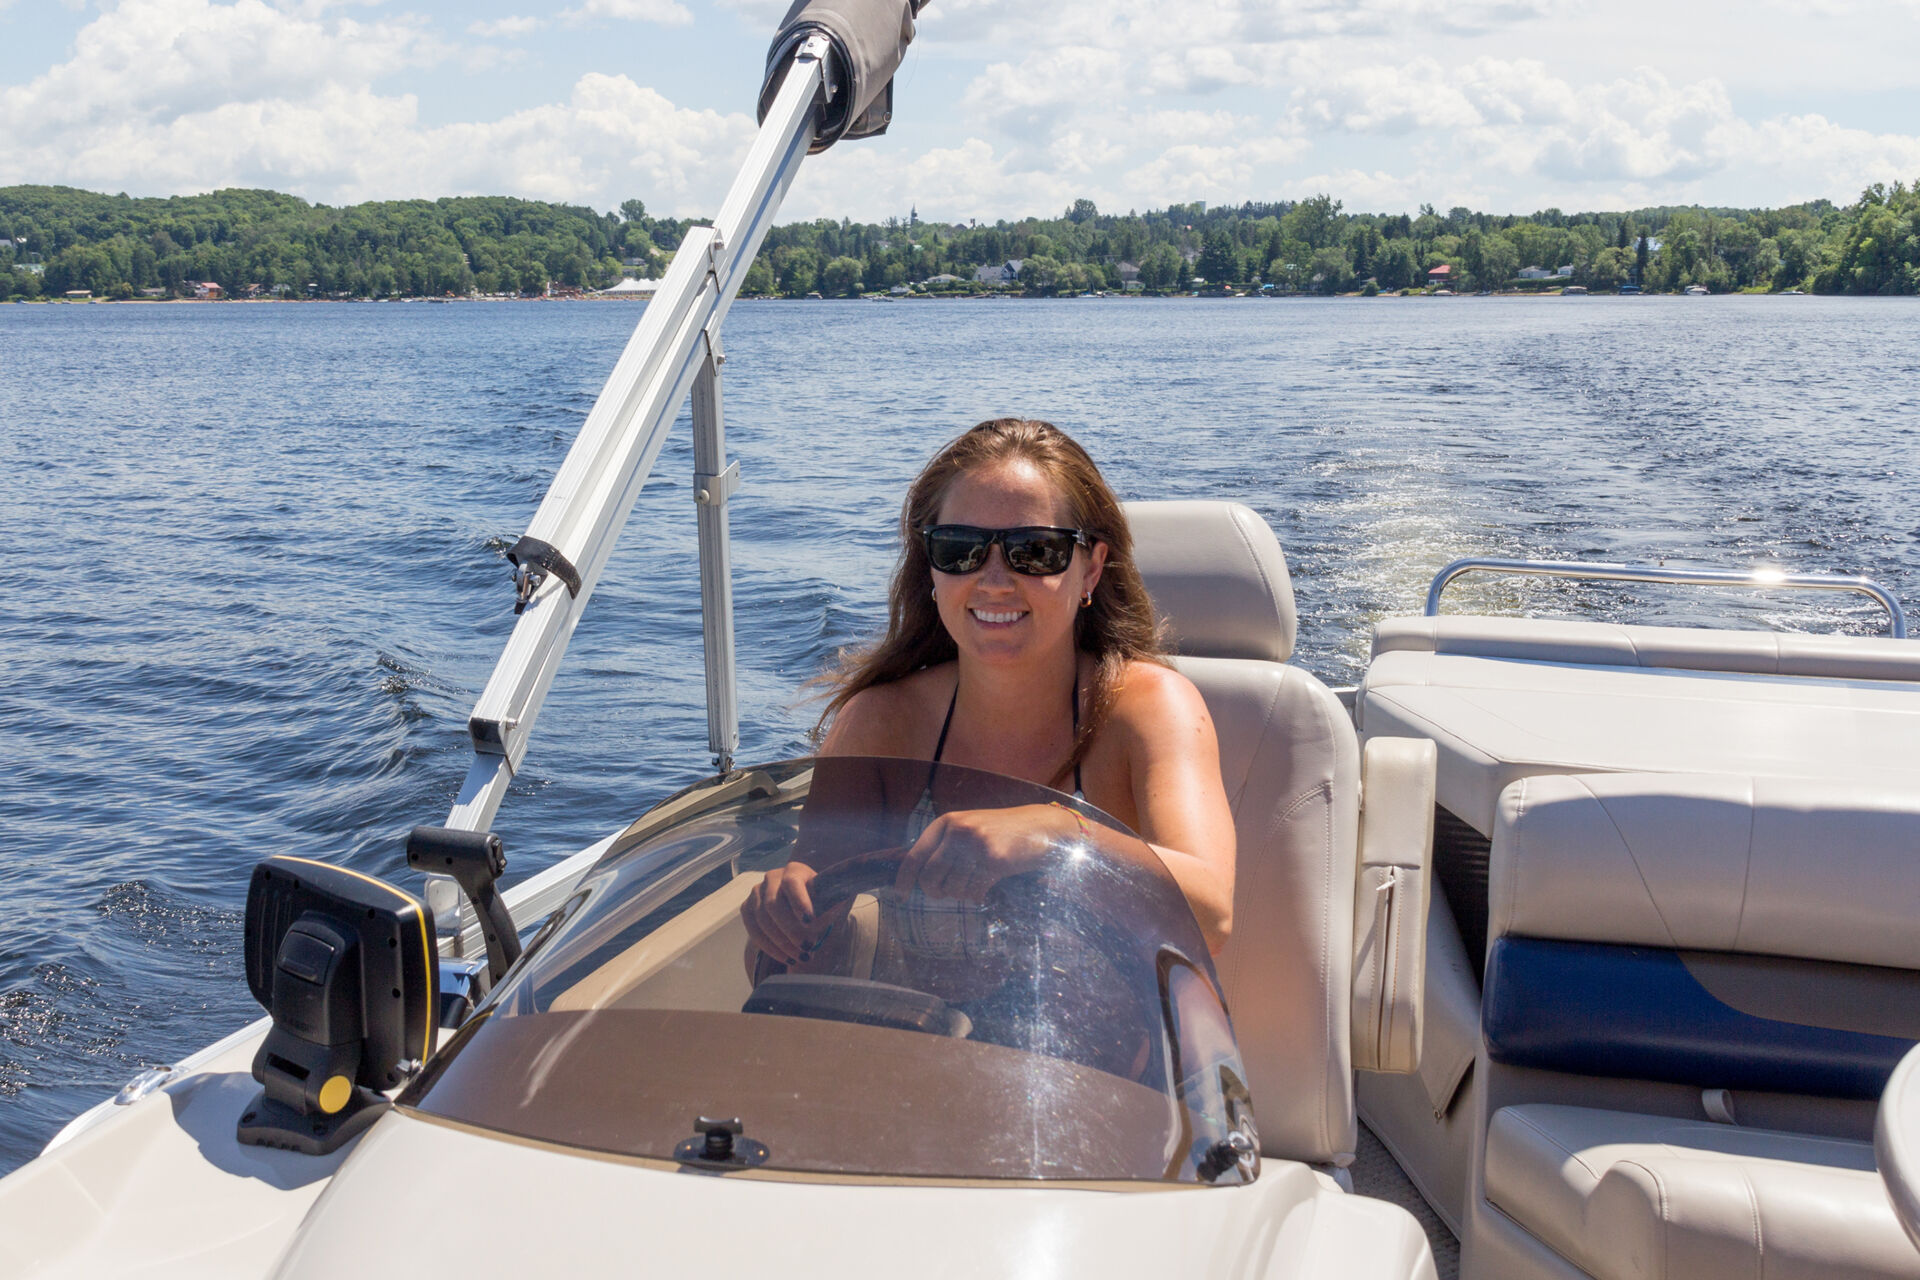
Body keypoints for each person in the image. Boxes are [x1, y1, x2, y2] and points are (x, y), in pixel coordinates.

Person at [740, 418, 1236, 972]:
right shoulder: (880, 723)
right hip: (920, 1048)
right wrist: (785, 915)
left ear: (1091, 567)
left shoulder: (1148, 709)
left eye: (1035, 551)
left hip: (1103, 1059)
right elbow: (793, 954)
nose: (995, 580)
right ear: (930, 566)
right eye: (959, 549)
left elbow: (1210, 914)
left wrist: (1052, 834)